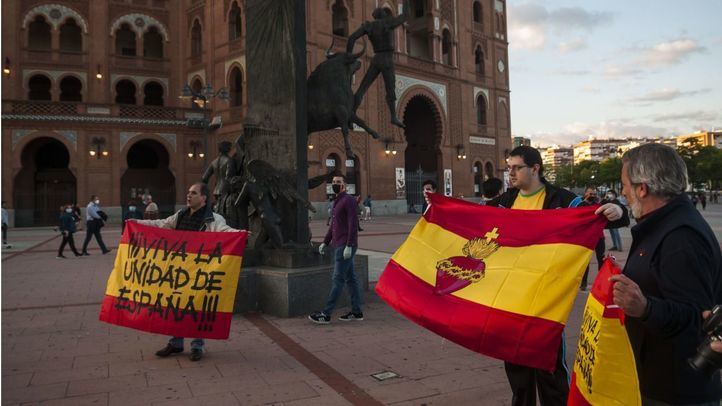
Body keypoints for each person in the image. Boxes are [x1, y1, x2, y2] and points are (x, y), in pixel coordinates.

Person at [486, 146, 623, 406]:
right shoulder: (505, 202)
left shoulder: (561, 199)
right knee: (517, 368)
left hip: (547, 297)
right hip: (511, 295)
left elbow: (596, 215)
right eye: (509, 168)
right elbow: (474, 218)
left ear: (535, 168)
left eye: (516, 168)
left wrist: (618, 211)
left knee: (549, 369)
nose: (510, 173)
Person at [609, 143, 722, 405]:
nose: (622, 192)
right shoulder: (663, 224)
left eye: (624, 184)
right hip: (660, 379)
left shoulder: (681, 237)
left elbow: (697, 317)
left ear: (642, 188)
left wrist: (645, 307)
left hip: (675, 390)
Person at [128, 182, 242, 361]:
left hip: (199, 271)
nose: (189, 196)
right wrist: (137, 223)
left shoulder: (213, 218)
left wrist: (238, 234)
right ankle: (176, 343)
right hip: (179, 271)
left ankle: (197, 345)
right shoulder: (181, 214)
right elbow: (162, 224)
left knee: (196, 306)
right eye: (188, 192)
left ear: (203, 198)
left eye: (193, 193)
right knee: (176, 306)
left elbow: (224, 231)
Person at [346, 1, 409, 128]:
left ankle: (351, 114)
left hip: (376, 59)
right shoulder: (388, 22)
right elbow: (405, 15)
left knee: (362, 88)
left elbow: (351, 38)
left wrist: (349, 57)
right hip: (387, 60)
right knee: (390, 89)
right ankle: (393, 116)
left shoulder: (369, 26)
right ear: (383, 15)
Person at [309, 175, 363, 324]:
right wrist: (325, 242)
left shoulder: (349, 200)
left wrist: (349, 245)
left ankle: (326, 314)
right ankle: (357, 311)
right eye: (333, 182)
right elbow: (334, 226)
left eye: (338, 182)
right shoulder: (336, 202)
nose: (335, 184)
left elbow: (353, 224)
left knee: (338, 279)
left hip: (345, 246)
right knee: (351, 279)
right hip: (338, 244)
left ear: (344, 185)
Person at [578, 187, 605, 291]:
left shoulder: (598, 205)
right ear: (585, 194)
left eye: (594, 194)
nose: (592, 195)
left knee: (600, 259)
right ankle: (583, 283)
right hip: (587, 237)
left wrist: (598, 202)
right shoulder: (581, 205)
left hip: (599, 236)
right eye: (590, 194)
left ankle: (601, 283)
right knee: (586, 261)